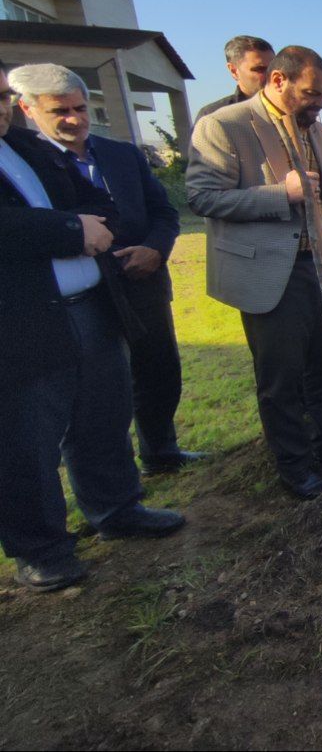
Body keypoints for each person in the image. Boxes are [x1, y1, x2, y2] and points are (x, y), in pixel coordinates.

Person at [0, 65, 185, 593]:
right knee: (29, 434)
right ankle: (41, 548)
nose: (2, 108)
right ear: (35, 106)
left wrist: (94, 221)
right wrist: (68, 229)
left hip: (92, 303)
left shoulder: (25, 150)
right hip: (23, 319)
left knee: (104, 410)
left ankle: (116, 507)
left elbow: (97, 201)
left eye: (2, 98)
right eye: (59, 110)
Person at [186, 46, 322, 501]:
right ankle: (294, 464)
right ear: (279, 81)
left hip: (321, 265)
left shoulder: (317, 132)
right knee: (282, 377)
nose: (321, 103)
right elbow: (204, 197)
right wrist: (278, 194)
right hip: (272, 273)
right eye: (312, 93)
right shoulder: (224, 126)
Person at [11, 64, 203, 476]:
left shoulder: (121, 153)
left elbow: (163, 212)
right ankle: (106, 488)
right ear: (28, 109)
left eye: (80, 108)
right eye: (59, 111)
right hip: (84, 294)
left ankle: (160, 449)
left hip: (143, 279)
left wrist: (154, 248)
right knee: (97, 394)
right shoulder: (33, 160)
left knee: (159, 368)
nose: (74, 119)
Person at [196, 36, 275, 121]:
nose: (271, 75)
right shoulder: (212, 117)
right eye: (260, 69)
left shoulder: (289, 109)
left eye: (275, 68)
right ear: (234, 71)